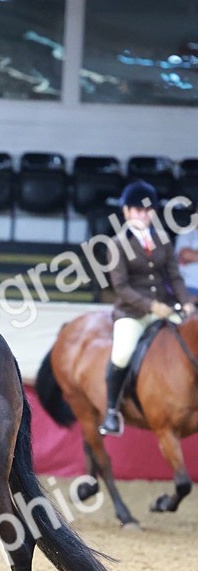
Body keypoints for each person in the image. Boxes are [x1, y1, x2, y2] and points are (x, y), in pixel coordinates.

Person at [99, 179, 196, 436]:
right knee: (122, 353)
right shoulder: (116, 244)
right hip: (132, 312)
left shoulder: (162, 239)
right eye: (137, 210)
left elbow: (174, 275)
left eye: (146, 210)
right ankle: (111, 411)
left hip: (165, 306)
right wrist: (152, 305)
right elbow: (121, 287)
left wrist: (186, 301)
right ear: (126, 212)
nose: (142, 215)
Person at [175, 229, 198, 300]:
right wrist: (191, 255)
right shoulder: (187, 235)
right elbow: (185, 255)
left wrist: (194, 254)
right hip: (189, 287)